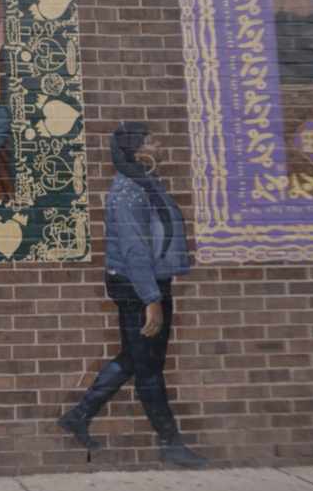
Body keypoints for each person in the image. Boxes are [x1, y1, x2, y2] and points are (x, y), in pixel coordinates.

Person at [57, 123, 208, 470]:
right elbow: (134, 249)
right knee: (149, 369)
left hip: (147, 283)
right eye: (151, 140)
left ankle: (78, 416)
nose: (159, 143)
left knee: (133, 358)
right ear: (138, 150)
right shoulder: (128, 191)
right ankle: (170, 443)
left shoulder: (145, 182)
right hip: (139, 287)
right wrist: (151, 299)